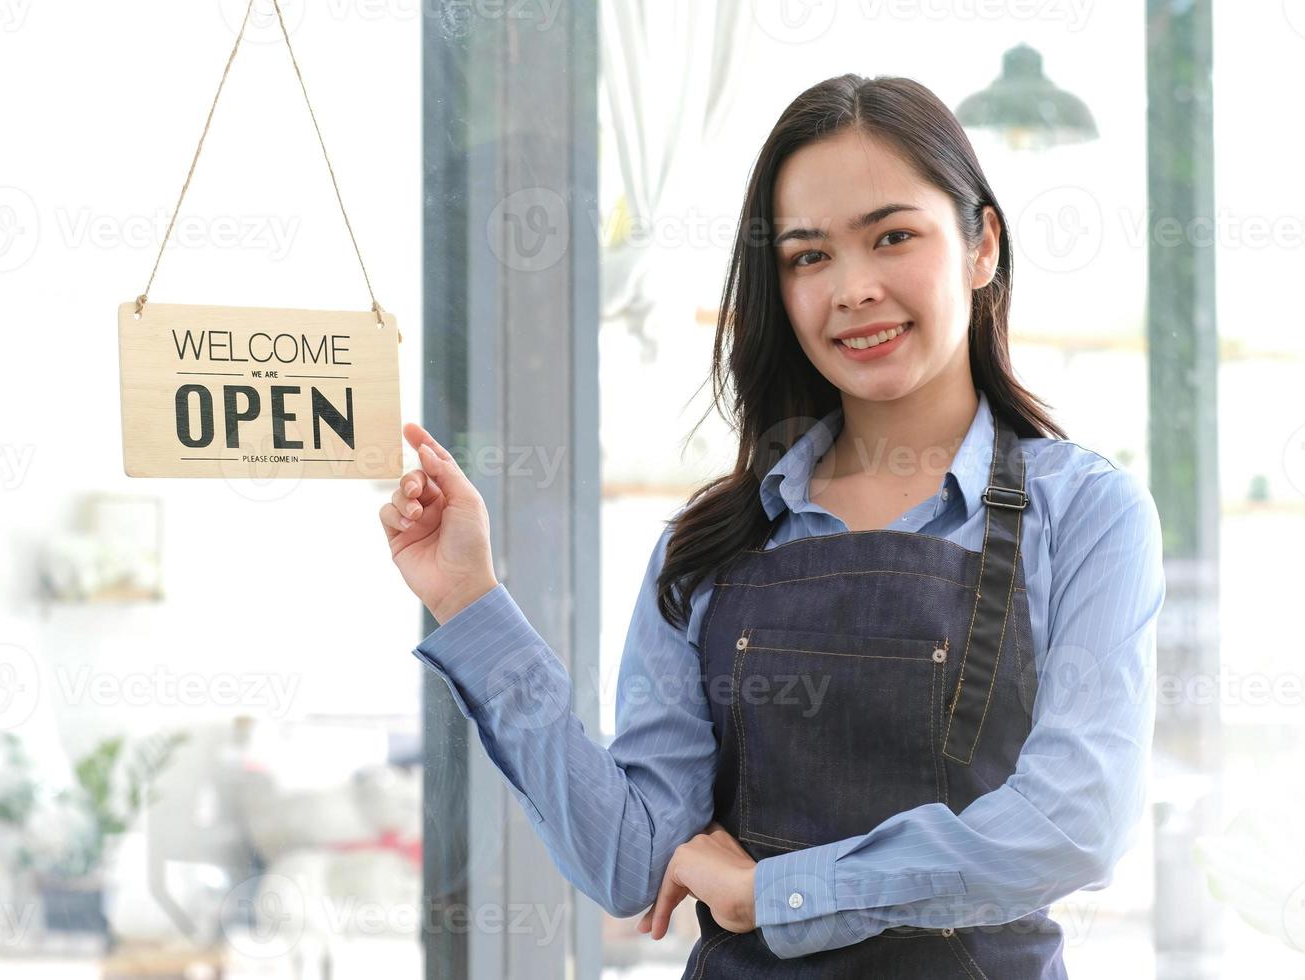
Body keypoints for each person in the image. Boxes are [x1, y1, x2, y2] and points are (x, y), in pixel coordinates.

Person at [378, 72, 1165, 978]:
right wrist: (470, 601)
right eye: (808, 256)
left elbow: (1072, 825)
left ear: (982, 244)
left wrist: (780, 893)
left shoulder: (1088, 516)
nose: (854, 288)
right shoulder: (709, 544)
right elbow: (632, 858)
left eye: (893, 236)